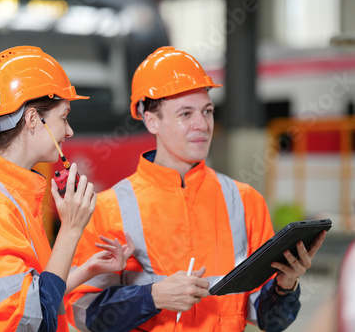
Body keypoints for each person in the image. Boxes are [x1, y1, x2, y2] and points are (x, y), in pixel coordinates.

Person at [65, 46, 327, 332]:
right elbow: (83, 315)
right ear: (152, 121)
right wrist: (152, 297)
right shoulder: (107, 208)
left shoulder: (245, 201)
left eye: (208, 111)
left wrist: (285, 287)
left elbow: (269, 321)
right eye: (186, 114)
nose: (202, 124)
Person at [0, 46, 135, 331]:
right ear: (32, 120)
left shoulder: (11, 194)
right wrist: (70, 230)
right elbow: (29, 323)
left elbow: (32, 294)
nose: (69, 131)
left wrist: (86, 270)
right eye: (64, 117)